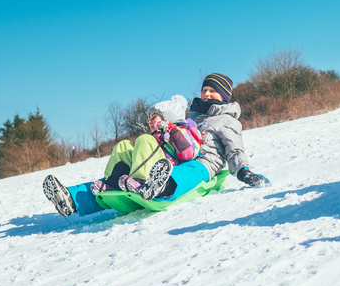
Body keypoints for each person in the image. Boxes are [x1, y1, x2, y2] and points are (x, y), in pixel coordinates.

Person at [43, 95, 206, 217]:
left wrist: (172, 130)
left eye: (153, 118)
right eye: (149, 119)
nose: (149, 122)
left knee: (143, 139)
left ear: (167, 118)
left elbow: (188, 154)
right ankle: (112, 183)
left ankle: (144, 183)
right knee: (124, 145)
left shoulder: (184, 130)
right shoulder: (154, 137)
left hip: (162, 172)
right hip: (146, 167)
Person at [188, 72, 269, 188]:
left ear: (223, 96)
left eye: (212, 91)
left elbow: (234, 149)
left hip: (206, 162)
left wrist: (243, 172)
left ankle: (166, 186)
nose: (206, 93)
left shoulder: (226, 120)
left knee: (187, 173)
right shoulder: (192, 117)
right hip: (182, 159)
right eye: (204, 90)